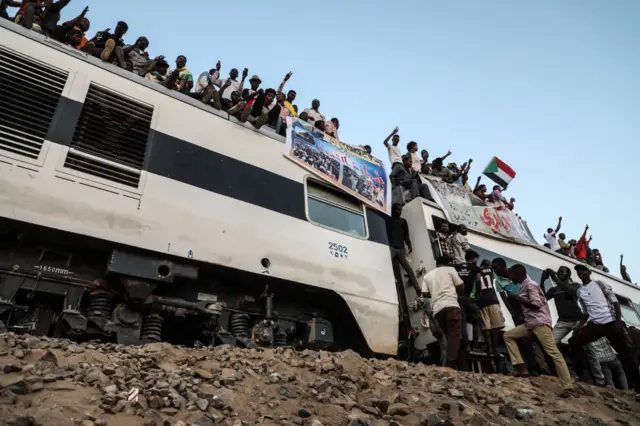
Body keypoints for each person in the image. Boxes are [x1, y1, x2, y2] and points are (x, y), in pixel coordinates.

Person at [569, 264, 640, 399]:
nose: (580, 272)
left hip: (610, 322)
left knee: (626, 355)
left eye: (583, 270)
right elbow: (585, 312)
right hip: (595, 324)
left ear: (589, 272)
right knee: (574, 342)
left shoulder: (600, 284)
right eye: (578, 271)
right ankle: (584, 375)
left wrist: (618, 322)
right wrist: (579, 326)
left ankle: (638, 388)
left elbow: (615, 303)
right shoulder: (580, 291)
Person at [502, 265, 574, 396]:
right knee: (508, 336)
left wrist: (518, 298)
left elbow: (536, 304)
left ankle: (567, 386)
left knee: (553, 353)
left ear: (518, 274)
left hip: (540, 323)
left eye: (511, 275)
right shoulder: (525, 285)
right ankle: (521, 368)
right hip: (531, 324)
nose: (510, 278)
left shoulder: (530, 285)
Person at [542, 267, 604, 385]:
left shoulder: (576, 286)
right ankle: (566, 372)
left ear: (568, 274)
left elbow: (568, 290)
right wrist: (543, 280)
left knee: (588, 350)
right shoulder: (554, 289)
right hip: (563, 321)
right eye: (558, 271)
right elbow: (543, 298)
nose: (559, 273)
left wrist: (554, 276)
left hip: (578, 321)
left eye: (562, 271)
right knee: (550, 344)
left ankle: (599, 379)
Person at [492, 258, 543, 376]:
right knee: (523, 339)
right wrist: (513, 314)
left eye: (496, 268)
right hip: (517, 310)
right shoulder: (498, 281)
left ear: (503, 266)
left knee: (537, 336)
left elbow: (530, 288)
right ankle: (532, 368)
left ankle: (544, 367)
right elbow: (505, 298)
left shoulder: (517, 273)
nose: (494, 271)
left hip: (527, 306)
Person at [422, 255, 464, 369]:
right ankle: (450, 362)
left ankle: (452, 362)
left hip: (437, 310)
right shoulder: (450, 270)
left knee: (447, 336)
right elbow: (461, 286)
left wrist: (436, 292)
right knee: (454, 335)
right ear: (447, 263)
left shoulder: (427, 276)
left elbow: (424, 294)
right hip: (451, 306)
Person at [385, 204, 421, 294]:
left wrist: (409, 244)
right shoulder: (388, 219)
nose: (399, 212)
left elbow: (406, 235)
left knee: (409, 269)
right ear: (393, 210)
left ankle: (418, 288)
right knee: (386, 265)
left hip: (401, 249)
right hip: (391, 247)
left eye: (400, 210)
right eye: (397, 210)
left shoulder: (403, 221)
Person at [473, 257, 505, 355]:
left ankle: (489, 348)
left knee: (486, 327)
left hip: (481, 302)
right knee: (495, 326)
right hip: (492, 300)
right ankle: (495, 348)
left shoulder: (476, 272)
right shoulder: (491, 270)